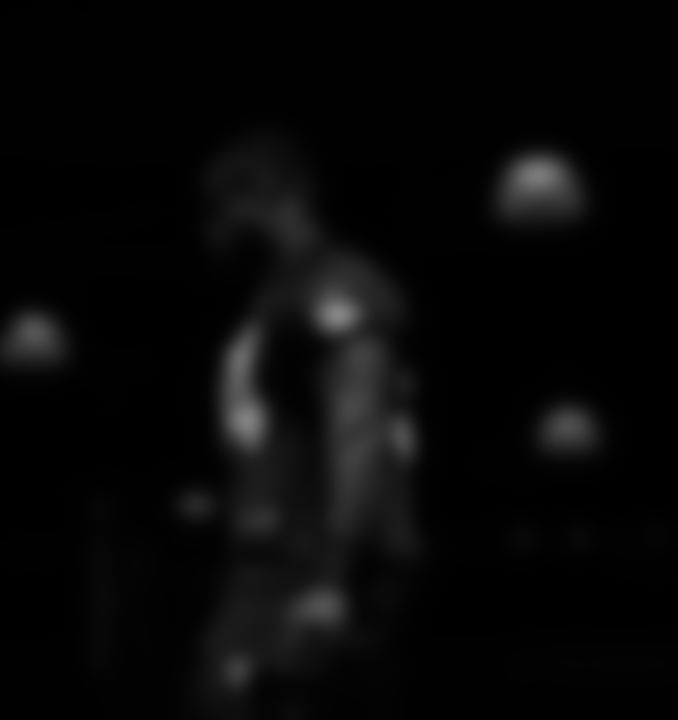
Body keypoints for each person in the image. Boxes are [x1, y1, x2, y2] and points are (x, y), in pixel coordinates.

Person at [186, 130, 420, 720]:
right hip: (275, 559)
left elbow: (358, 425)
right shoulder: (276, 294)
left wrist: (336, 576)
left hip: (302, 565)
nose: (214, 232)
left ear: (270, 195)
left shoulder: (336, 285)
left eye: (224, 209)